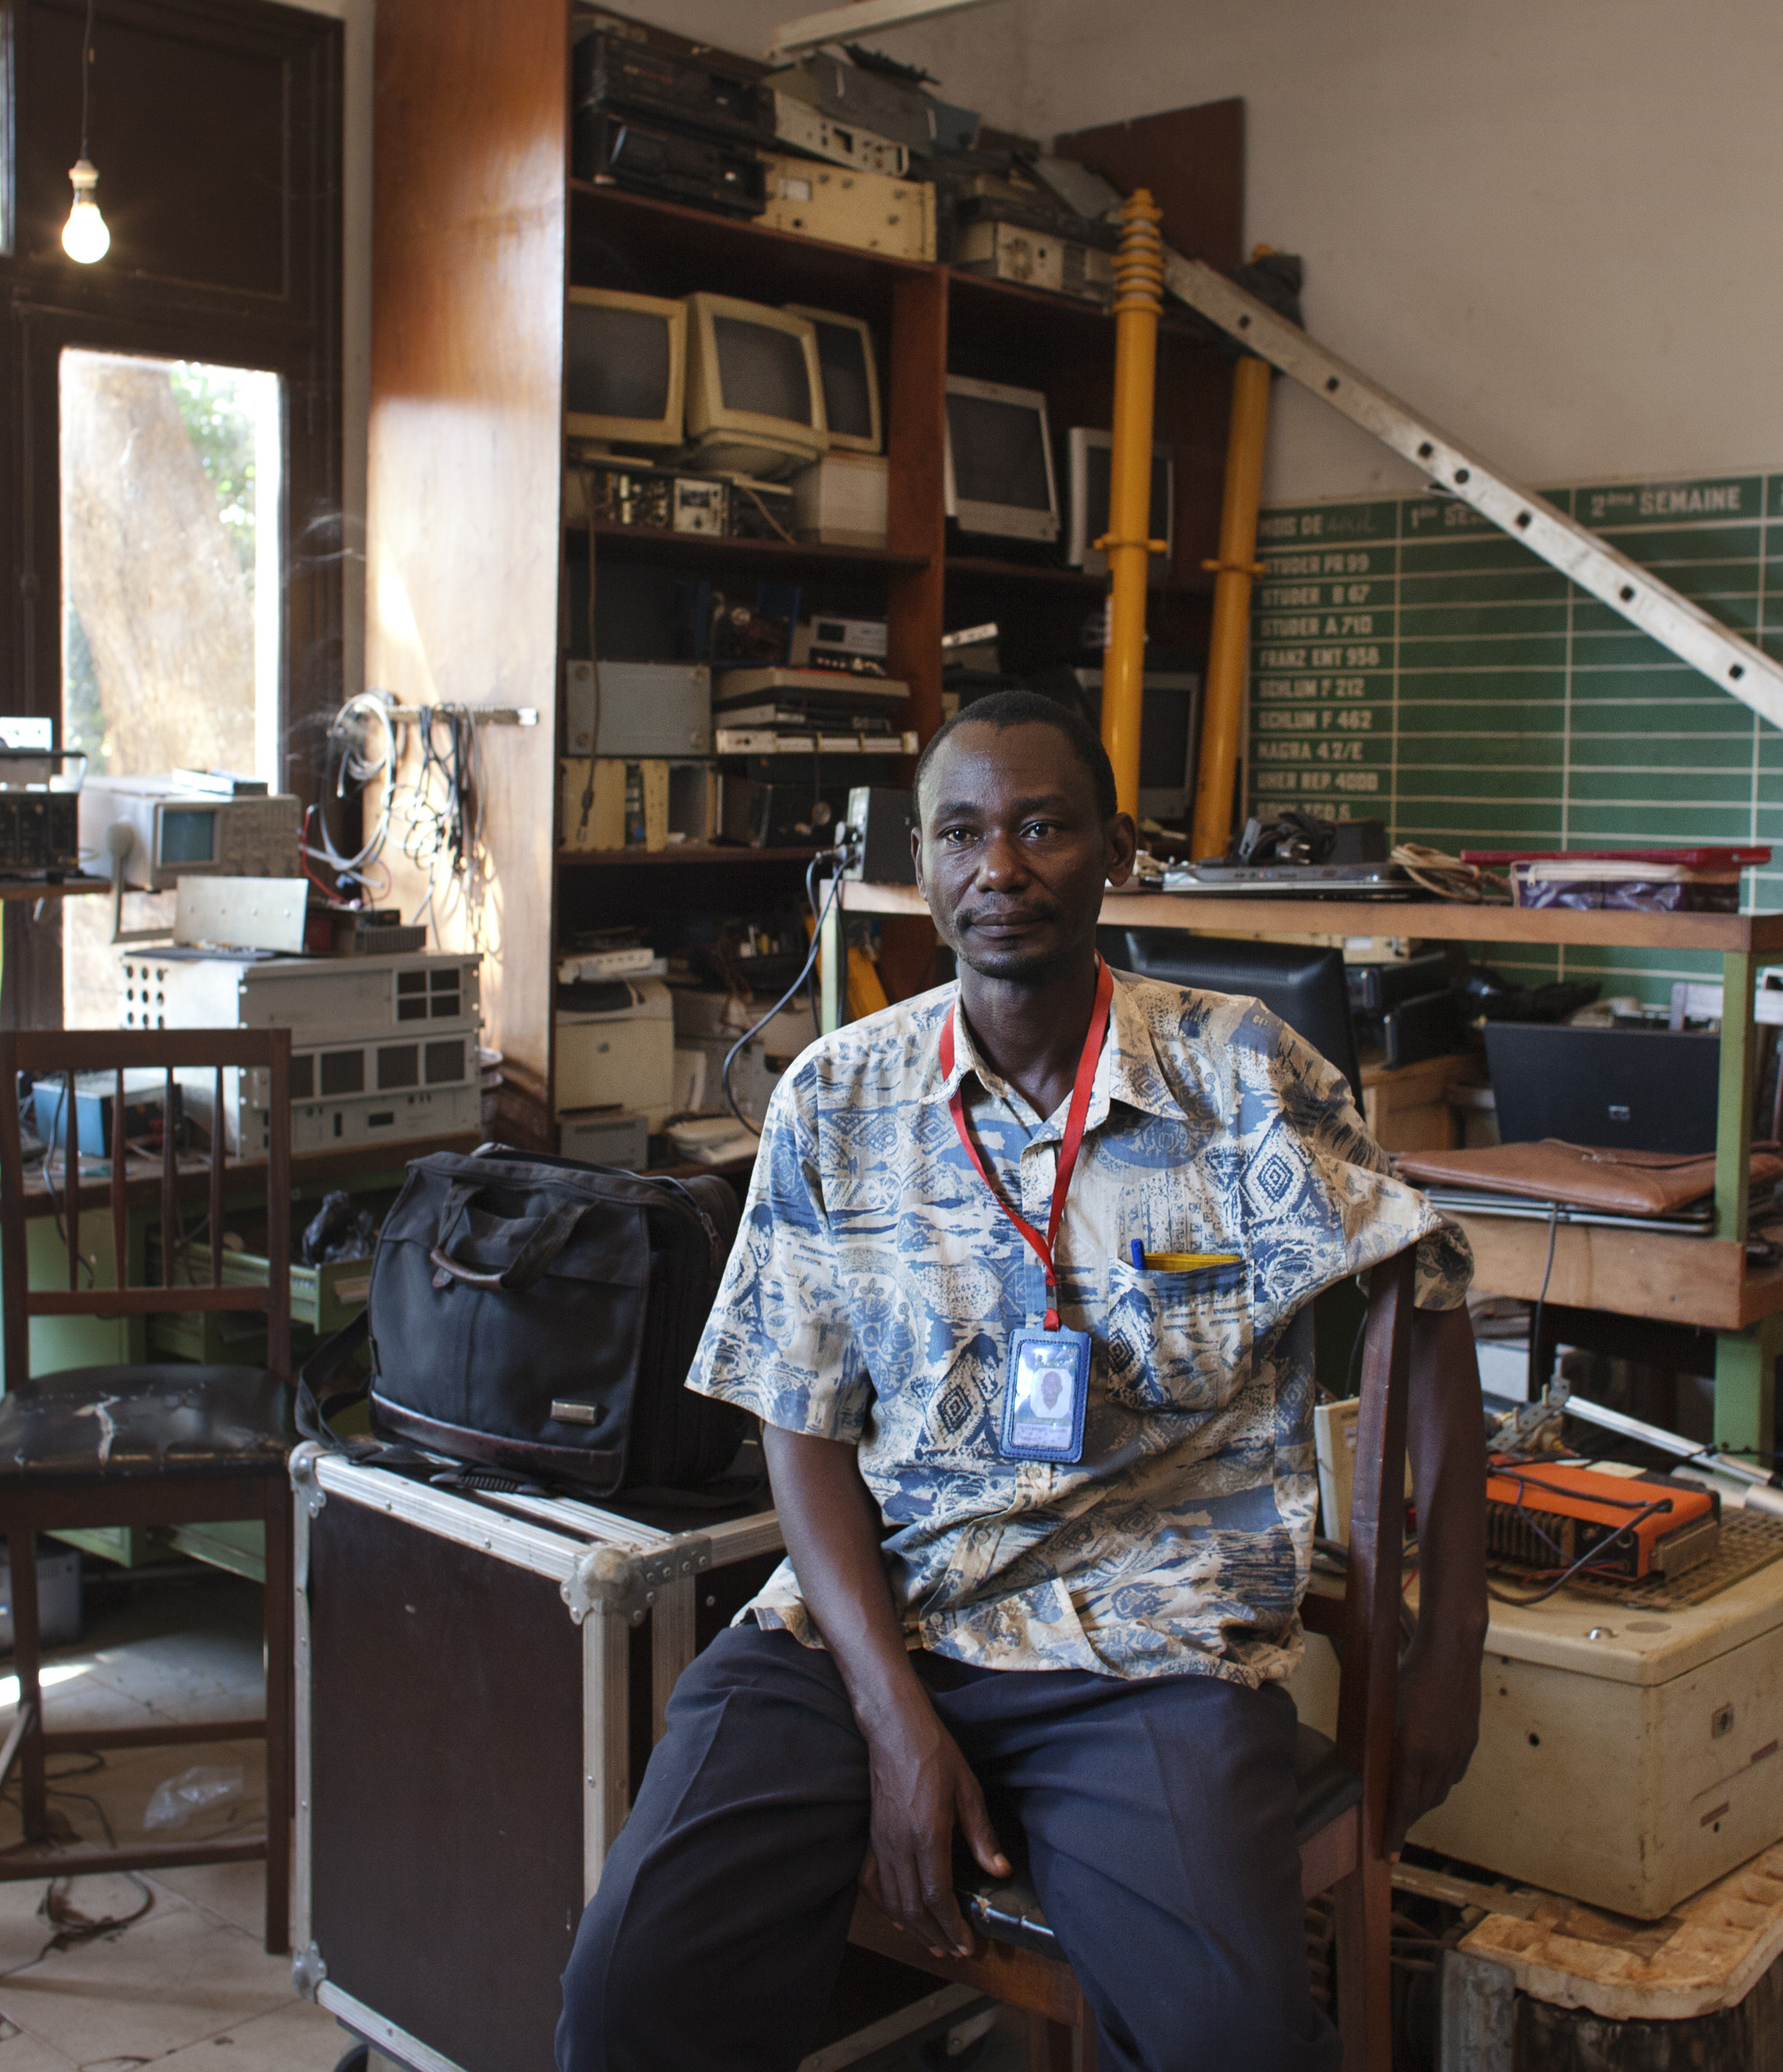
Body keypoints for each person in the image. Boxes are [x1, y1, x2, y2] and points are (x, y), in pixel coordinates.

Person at [559, 690, 1489, 2072]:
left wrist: (1448, 1647)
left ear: (1110, 851)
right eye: (964, 832)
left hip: (1145, 1639)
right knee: (634, 1989)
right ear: (924, 871)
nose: (1003, 865)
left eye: (1043, 826)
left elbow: (1425, 1303)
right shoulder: (837, 1098)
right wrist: (894, 1717)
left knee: (1228, 2043)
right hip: (873, 1619)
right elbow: (799, 1424)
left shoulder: (1235, 1074)